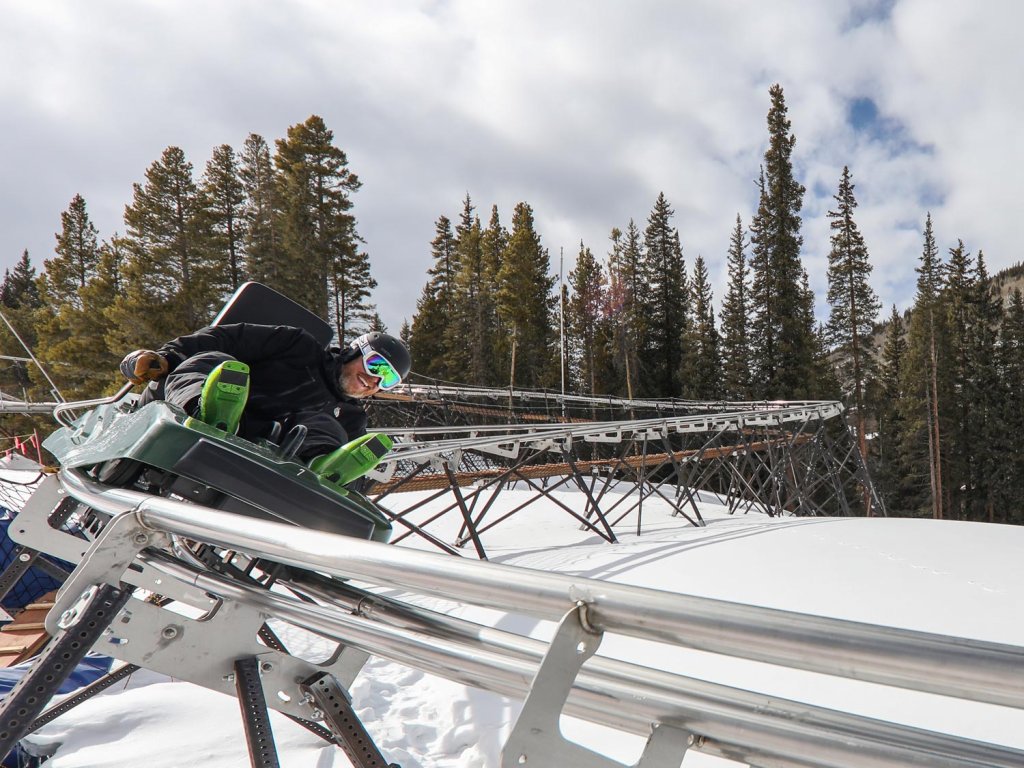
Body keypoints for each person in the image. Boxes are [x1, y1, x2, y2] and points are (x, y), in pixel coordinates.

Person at [118, 323, 411, 481]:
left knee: (330, 430)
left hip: (262, 455)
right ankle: (208, 412)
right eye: (377, 366)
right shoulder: (299, 347)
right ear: (354, 351)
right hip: (190, 416)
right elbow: (225, 340)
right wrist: (166, 357)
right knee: (218, 363)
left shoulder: (350, 417)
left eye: (388, 380)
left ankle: (322, 471)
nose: (375, 381)